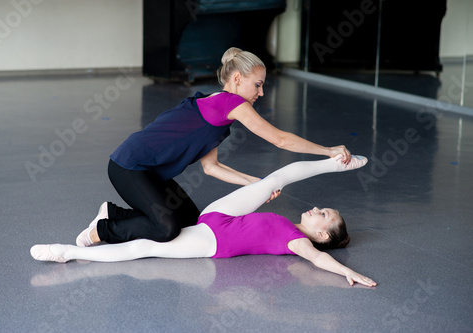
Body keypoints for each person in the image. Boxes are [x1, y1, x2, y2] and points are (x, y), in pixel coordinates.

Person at [75, 46, 353, 248]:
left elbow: (211, 167)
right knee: (167, 228)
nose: (261, 93)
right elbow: (280, 139)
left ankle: (113, 212)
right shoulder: (230, 104)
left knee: (191, 222)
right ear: (236, 80)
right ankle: (103, 230)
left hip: (151, 173)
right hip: (129, 166)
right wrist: (328, 151)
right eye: (257, 85)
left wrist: (255, 183)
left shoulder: (219, 113)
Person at [31, 154, 377, 287]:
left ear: (321, 232)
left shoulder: (297, 241)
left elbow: (317, 258)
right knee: (271, 182)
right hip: (218, 217)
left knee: (142, 248)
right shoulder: (291, 225)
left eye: (324, 215)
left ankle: (67, 252)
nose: (318, 209)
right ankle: (335, 162)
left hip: (214, 241)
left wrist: (348, 271)